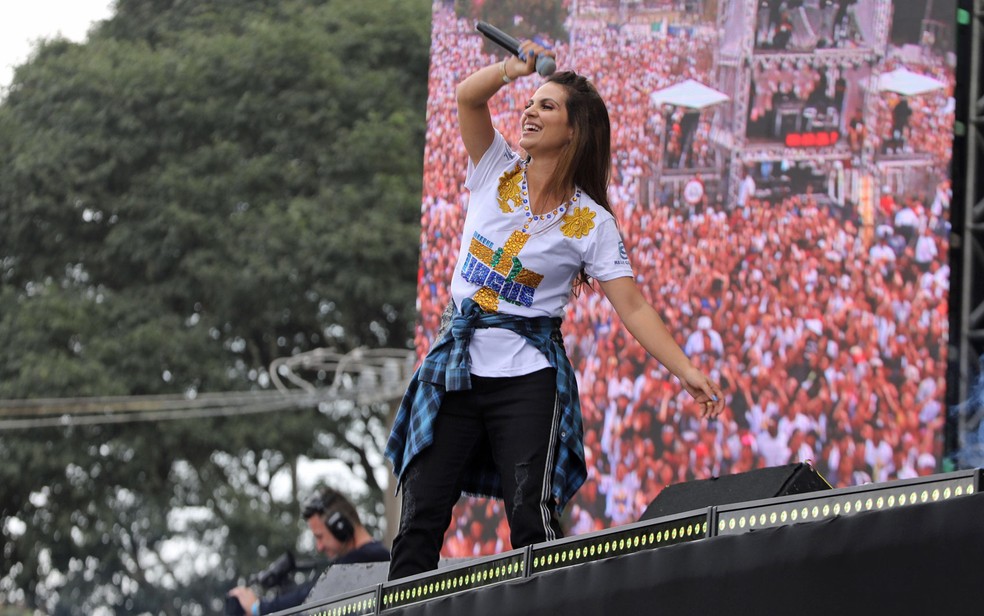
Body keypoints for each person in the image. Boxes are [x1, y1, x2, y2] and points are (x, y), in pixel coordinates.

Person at [384, 41, 724, 581]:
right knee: (420, 513)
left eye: (547, 106)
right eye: (530, 102)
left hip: (527, 380)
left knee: (532, 519)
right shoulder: (494, 166)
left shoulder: (592, 224)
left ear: (575, 131)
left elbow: (632, 308)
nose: (529, 111)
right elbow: (467, 99)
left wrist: (685, 370)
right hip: (455, 370)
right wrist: (511, 70)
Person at [228, 486, 390, 615]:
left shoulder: (371, 558)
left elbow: (310, 597)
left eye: (320, 537)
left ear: (341, 527)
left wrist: (259, 608)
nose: (319, 547)